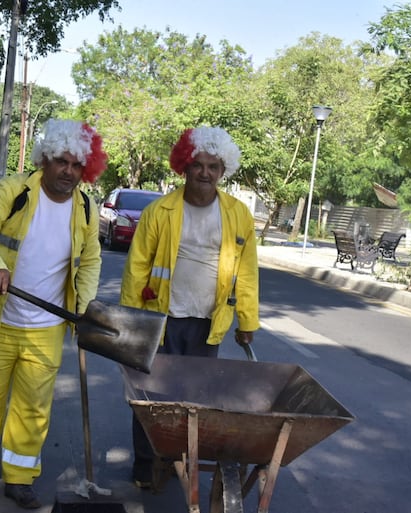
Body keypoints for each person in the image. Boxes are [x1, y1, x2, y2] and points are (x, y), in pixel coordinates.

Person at [0, 119, 107, 508]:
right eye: (61, 161)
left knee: (33, 408)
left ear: (83, 169)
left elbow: (90, 261)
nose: (68, 171)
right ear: (45, 159)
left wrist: (83, 305)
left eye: (76, 165)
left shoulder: (87, 209)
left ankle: (20, 476)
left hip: (47, 326)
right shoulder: (15, 192)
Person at [119, 126, 260, 488]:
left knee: (193, 400)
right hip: (160, 320)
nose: (205, 173)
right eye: (198, 165)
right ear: (184, 167)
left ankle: (178, 461)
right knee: (151, 399)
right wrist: (133, 320)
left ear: (223, 171)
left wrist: (248, 319)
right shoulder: (160, 211)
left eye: (214, 166)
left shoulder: (238, 214)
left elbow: (245, 272)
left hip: (208, 324)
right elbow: (137, 267)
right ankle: (146, 465)